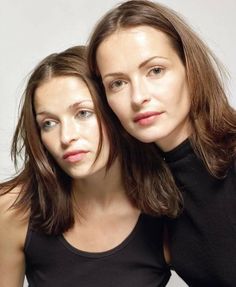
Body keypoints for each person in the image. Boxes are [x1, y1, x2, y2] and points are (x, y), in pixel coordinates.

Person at [0, 45, 182, 287]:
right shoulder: (12, 209)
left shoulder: (169, 207)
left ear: (114, 110)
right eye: (49, 123)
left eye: (83, 113)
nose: (66, 137)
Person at [87, 1, 236, 286]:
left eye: (155, 70)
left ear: (190, 68)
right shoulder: (153, 190)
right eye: (117, 83)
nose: (138, 96)